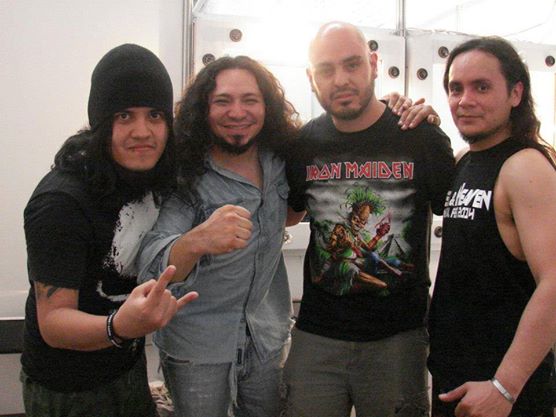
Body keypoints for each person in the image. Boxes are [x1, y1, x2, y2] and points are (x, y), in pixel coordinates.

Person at [284, 21, 455, 417]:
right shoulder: (304, 145)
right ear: (311, 77)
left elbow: (465, 212)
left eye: (352, 64)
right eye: (326, 69)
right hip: (317, 335)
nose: (341, 80)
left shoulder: (421, 137)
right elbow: (289, 214)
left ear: (373, 64)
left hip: (398, 340)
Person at [21, 44, 198, 417]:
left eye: (154, 115)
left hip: (127, 368)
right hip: (68, 389)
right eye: (124, 115)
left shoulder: (152, 177)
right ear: (101, 123)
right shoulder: (61, 202)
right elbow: (53, 322)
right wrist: (119, 326)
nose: (142, 131)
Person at [137, 55, 301, 417]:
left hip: (267, 339)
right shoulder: (186, 171)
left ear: (266, 106)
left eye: (250, 100)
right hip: (198, 347)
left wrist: (397, 109)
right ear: (204, 109)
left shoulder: (281, 159)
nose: (237, 112)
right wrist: (197, 240)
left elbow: (293, 210)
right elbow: (150, 266)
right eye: (223, 101)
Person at [428, 36, 556, 417]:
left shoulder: (525, 166)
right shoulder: (465, 159)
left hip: (502, 391)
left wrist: (505, 386)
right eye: (456, 88)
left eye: (481, 87)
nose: (465, 100)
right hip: (457, 378)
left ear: (516, 93)